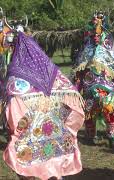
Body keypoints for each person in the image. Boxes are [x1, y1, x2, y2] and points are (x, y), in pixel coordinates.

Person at [1, 15, 84, 180]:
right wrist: (64, 121)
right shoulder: (54, 74)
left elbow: (15, 117)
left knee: (27, 169)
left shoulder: (16, 81)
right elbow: (75, 101)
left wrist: (17, 130)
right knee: (54, 168)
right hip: (56, 136)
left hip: (30, 139)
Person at [73, 11, 114, 150]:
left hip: (106, 86)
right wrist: (75, 85)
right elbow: (79, 69)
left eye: (99, 34)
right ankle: (90, 135)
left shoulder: (108, 50)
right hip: (89, 85)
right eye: (94, 33)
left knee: (108, 108)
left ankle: (112, 135)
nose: (96, 37)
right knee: (89, 110)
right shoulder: (86, 50)